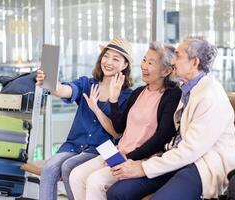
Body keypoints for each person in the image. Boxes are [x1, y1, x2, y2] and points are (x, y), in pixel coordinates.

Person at [106, 36, 235, 200]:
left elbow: (191, 150)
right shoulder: (187, 90)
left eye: (178, 56)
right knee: (117, 193)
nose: (172, 62)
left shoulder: (210, 96)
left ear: (194, 62)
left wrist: (143, 167)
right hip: (177, 158)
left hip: (201, 164)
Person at [69, 41, 182, 200]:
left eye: (151, 62)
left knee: (95, 181)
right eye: (144, 60)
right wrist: (114, 101)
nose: (144, 66)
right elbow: (119, 127)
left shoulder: (173, 96)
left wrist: (130, 157)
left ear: (167, 70)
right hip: (118, 152)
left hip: (141, 158)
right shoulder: (138, 92)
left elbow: (162, 136)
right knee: (76, 175)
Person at [36, 37, 134, 200]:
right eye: (106, 56)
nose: (108, 62)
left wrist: (96, 108)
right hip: (75, 145)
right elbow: (65, 90)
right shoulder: (87, 84)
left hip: (102, 150)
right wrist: (49, 81)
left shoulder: (127, 96)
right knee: (49, 167)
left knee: (68, 167)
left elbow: (117, 133)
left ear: (125, 65)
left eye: (115, 59)